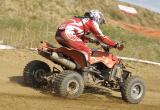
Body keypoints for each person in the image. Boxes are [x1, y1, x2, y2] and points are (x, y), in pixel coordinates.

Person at [55, 9, 123, 63]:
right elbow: (102, 37)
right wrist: (116, 44)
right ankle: (83, 74)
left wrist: (92, 40)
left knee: (80, 50)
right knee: (87, 51)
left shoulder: (81, 19)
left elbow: (79, 36)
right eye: (100, 21)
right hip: (67, 34)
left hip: (59, 35)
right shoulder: (92, 22)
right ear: (97, 17)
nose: (99, 23)